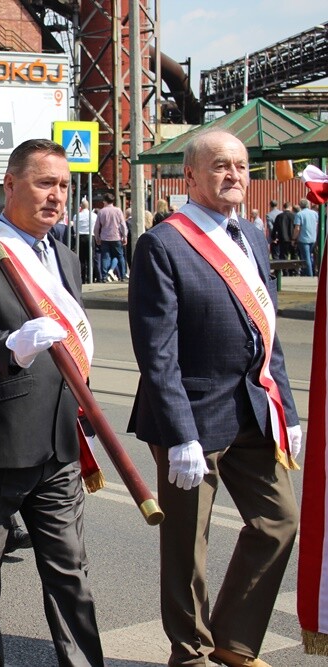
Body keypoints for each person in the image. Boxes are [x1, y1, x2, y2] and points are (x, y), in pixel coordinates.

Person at [127, 129, 302, 667]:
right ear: (192, 176)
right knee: (187, 547)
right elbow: (157, 352)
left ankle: (234, 640)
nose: (233, 175)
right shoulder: (164, 243)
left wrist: (289, 411)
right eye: (220, 165)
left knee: (279, 522)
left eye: (241, 166)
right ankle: (193, 652)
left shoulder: (250, 233)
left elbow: (265, 330)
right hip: (192, 419)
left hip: (253, 408)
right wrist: (180, 436)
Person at [0, 138, 104, 667]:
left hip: (58, 445)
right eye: (43, 183)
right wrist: (10, 347)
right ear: (10, 185)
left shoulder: (66, 256)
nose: (56, 196)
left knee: (70, 573)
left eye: (62, 185)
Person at [94, 191, 126, 282]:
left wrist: (97, 237)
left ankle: (104, 276)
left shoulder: (101, 212)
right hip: (116, 236)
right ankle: (123, 275)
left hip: (105, 237)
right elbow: (123, 225)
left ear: (105, 201)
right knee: (120, 256)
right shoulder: (118, 210)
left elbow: (97, 227)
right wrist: (125, 236)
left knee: (105, 257)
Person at [294, 199, 318, 277]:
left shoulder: (299, 214)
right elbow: (317, 225)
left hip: (303, 239)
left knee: (306, 257)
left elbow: (297, 228)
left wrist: (294, 238)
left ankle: (309, 275)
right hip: (313, 238)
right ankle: (311, 272)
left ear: (300, 205)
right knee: (310, 256)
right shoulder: (314, 213)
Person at [75, 197, 97, 282]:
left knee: (82, 258)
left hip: (80, 237)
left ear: (81, 206)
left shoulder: (77, 216)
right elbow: (95, 227)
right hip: (90, 236)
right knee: (90, 258)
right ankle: (90, 277)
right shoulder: (93, 216)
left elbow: (75, 228)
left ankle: (83, 278)